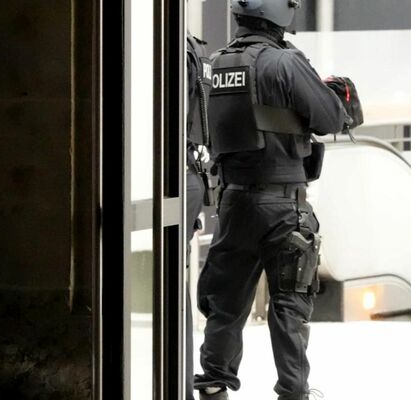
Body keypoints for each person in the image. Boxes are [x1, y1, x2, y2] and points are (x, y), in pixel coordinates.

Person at [194, 1, 348, 399]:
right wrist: (338, 94)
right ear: (278, 14)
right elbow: (331, 117)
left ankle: (213, 381)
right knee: (289, 303)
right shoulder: (284, 63)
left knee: (225, 302)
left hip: (234, 203)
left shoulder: (217, 63)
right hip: (283, 204)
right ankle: (293, 391)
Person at [186, 32, 212, 400]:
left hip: (165, 175)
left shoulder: (158, 42)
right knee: (176, 290)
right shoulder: (195, 47)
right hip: (191, 174)